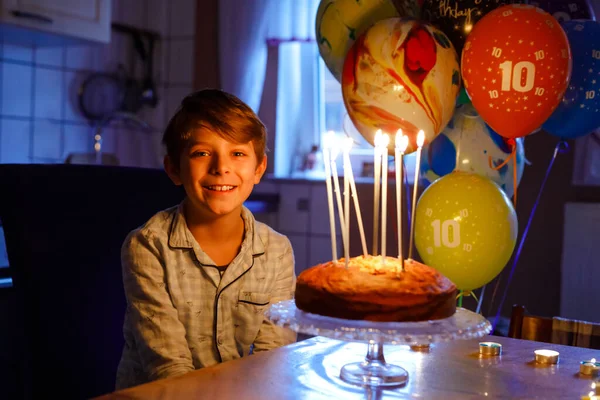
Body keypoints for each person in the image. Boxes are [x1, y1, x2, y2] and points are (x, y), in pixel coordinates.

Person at [115, 89, 297, 390]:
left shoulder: (277, 250)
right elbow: (168, 368)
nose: (221, 168)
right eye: (202, 153)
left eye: (237, 153)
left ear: (259, 169)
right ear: (174, 168)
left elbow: (272, 358)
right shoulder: (147, 246)